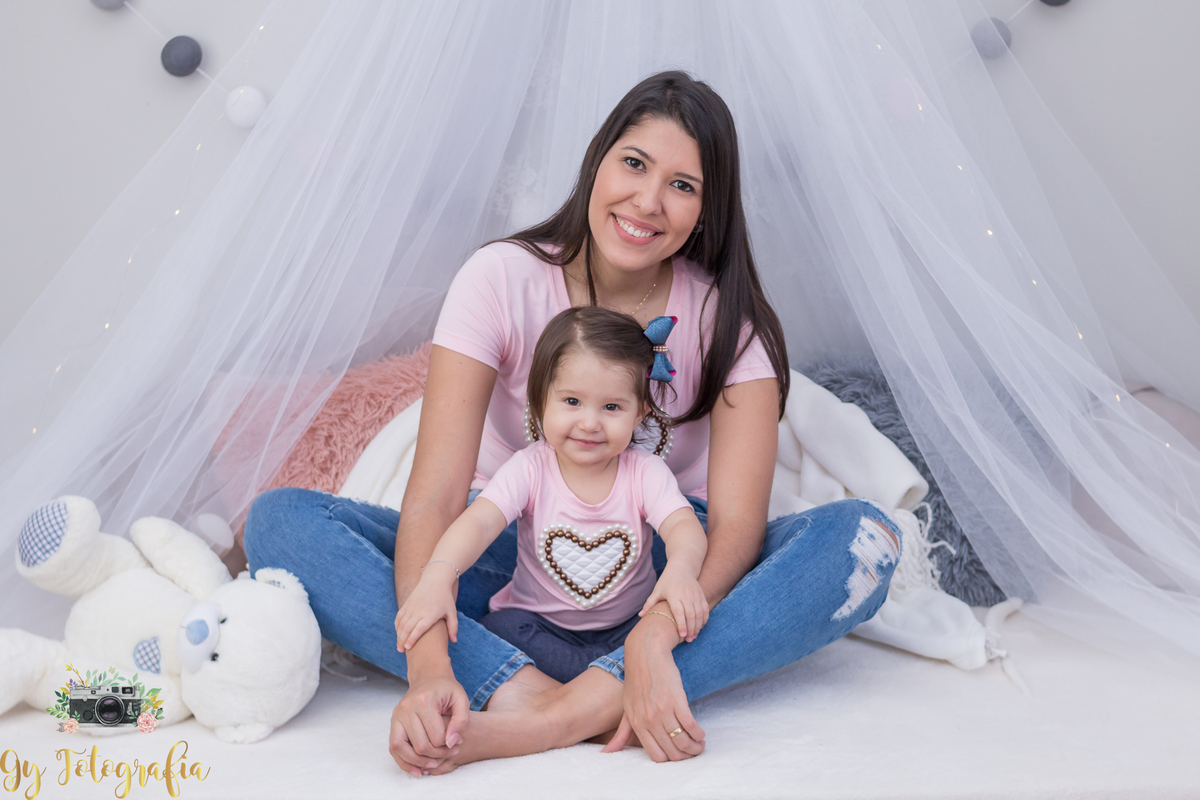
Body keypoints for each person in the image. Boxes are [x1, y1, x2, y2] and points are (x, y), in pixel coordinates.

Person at [244, 70, 902, 776]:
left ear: (707, 212)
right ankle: (523, 686)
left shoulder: (729, 319)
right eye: (634, 164)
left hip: (669, 573)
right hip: (513, 552)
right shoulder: (499, 278)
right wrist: (431, 670)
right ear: (597, 161)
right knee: (280, 524)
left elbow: (736, 527)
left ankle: (566, 710)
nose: (647, 201)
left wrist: (655, 630)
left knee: (863, 539)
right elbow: (436, 500)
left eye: (683, 186)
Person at [395, 306, 711, 683]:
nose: (590, 423)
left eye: (612, 407)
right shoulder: (530, 468)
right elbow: (478, 523)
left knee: (682, 630)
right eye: (572, 402)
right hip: (536, 626)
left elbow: (683, 527)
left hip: (630, 624)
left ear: (640, 413)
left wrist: (679, 572)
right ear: (541, 399)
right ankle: (607, 687)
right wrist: (436, 577)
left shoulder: (644, 472)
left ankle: (575, 688)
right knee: (495, 631)